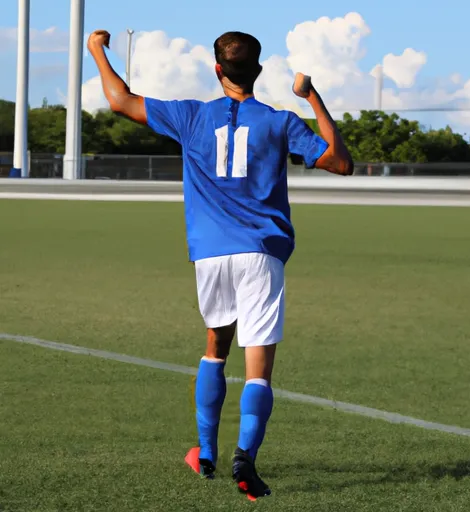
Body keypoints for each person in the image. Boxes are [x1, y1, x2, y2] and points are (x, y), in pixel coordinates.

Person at [87, 29, 353, 500]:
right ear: (259, 70)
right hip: (261, 253)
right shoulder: (279, 121)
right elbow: (340, 162)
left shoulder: (190, 115)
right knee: (258, 371)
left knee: (215, 347)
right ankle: (245, 457)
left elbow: (118, 100)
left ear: (216, 69)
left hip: (210, 255)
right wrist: (313, 96)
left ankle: (206, 455)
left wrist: (97, 52)